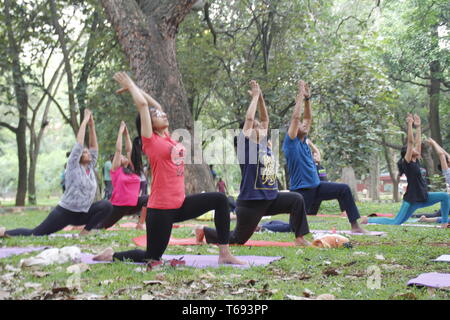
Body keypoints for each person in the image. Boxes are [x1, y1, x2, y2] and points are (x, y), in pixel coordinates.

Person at [93, 72, 244, 265]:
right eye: (156, 116)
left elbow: (156, 106)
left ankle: (225, 254)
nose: (162, 114)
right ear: (148, 123)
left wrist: (137, 89)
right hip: (161, 209)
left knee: (220, 199)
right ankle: (111, 254)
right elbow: (144, 106)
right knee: (153, 256)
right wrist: (131, 85)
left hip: (180, 204)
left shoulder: (167, 137)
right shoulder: (150, 141)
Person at [195, 80, 311, 246]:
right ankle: (204, 231)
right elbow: (250, 118)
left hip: (271, 198)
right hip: (252, 202)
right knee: (236, 239)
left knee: (296, 199)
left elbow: (264, 119)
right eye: (256, 127)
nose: (261, 128)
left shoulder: (264, 145)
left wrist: (261, 97)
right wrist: (255, 97)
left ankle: (300, 238)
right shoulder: (245, 146)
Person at [0, 110, 113, 238]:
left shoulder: (90, 167)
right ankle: (4, 232)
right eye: (85, 152)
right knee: (36, 233)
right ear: (79, 155)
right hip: (65, 212)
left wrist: (92, 126)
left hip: (82, 213)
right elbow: (79, 144)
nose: (88, 153)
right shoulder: (73, 166)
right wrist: (85, 121)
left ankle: (85, 232)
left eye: (88, 152)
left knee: (107, 205)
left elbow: (93, 146)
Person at [283, 80, 366, 233]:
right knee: (292, 228)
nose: (305, 125)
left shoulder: (304, 142)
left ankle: (355, 226)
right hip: (302, 191)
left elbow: (307, 119)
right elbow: (296, 118)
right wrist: (300, 95)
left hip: (317, 186)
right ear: (293, 129)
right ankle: (264, 226)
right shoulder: (291, 142)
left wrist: (308, 100)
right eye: (301, 125)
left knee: (344, 189)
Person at [361, 114, 449, 228]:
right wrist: (409, 125)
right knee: (396, 222)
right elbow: (411, 142)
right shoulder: (407, 163)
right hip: (412, 200)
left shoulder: (416, 160)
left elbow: (417, 143)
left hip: (424, 196)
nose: (417, 149)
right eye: (412, 149)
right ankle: (368, 220)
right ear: (408, 153)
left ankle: (444, 222)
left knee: (445, 196)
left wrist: (418, 127)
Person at [97, 121, 148, 231]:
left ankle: (140, 224)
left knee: (148, 199)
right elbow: (119, 150)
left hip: (133, 204)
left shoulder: (132, 169)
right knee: (100, 227)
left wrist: (126, 134)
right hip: (118, 206)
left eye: (125, 156)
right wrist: (120, 132)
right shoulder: (116, 170)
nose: (124, 156)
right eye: (121, 157)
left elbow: (129, 150)